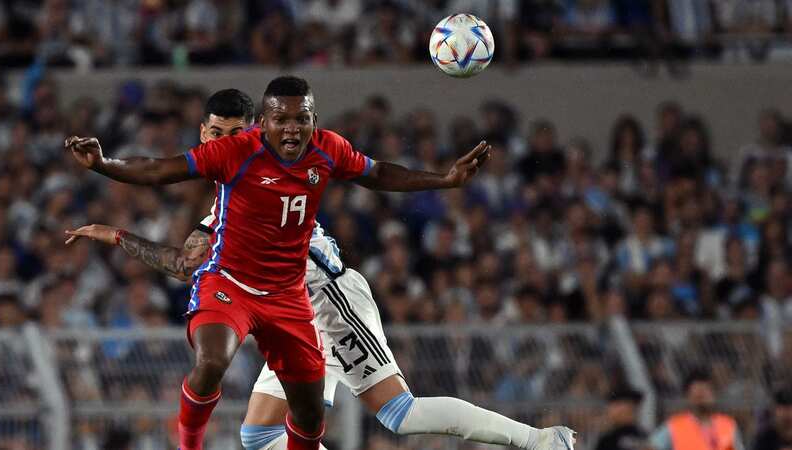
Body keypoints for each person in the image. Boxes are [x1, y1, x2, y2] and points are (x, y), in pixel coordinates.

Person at [66, 88, 576, 450]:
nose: (223, 143)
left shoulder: (280, 166)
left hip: (327, 299)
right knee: (257, 435)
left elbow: (186, 259)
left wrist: (443, 181)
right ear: (205, 134)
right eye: (216, 134)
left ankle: (541, 441)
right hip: (279, 310)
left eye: (236, 134)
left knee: (399, 414)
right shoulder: (225, 203)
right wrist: (115, 232)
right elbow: (185, 261)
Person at [649, 370, 745, 450]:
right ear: (688, 398)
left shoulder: (728, 425)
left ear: (714, 395)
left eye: (705, 393)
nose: (702, 399)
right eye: (698, 395)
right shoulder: (675, 426)